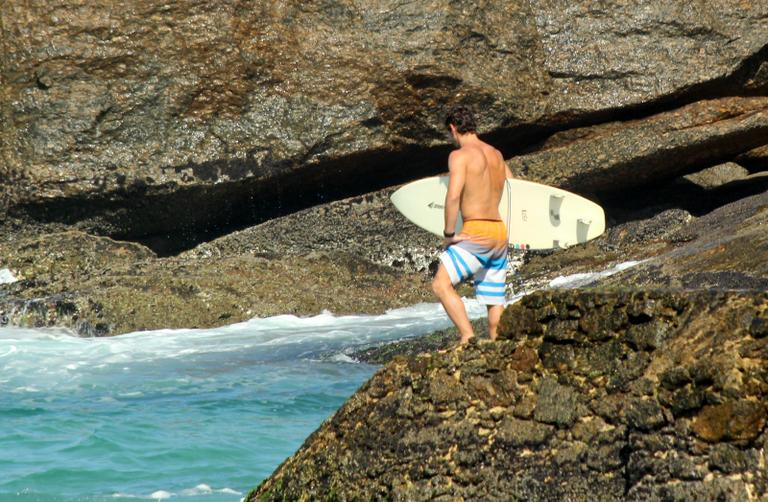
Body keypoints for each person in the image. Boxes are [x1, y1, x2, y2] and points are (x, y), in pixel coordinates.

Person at [432, 105, 513, 344]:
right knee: (494, 299)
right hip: (499, 233)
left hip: (476, 232)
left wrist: (449, 234)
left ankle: (467, 337)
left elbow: (453, 195)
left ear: (453, 128)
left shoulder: (460, 156)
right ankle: (498, 348)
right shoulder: (496, 154)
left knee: (441, 284)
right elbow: (514, 190)